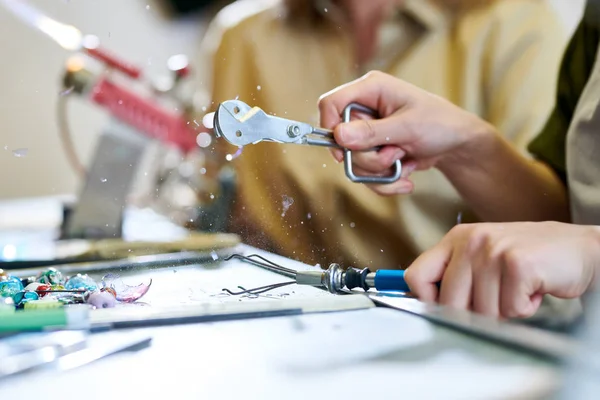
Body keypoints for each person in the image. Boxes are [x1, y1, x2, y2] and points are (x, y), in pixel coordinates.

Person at [195, 0, 566, 271]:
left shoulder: (516, 25)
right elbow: (222, 210)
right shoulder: (242, 37)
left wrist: (466, 149)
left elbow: (551, 232)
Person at [317, 0, 600, 319]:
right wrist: (465, 145)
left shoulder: (514, 24)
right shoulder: (595, 22)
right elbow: (564, 217)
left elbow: (571, 246)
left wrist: (592, 254)